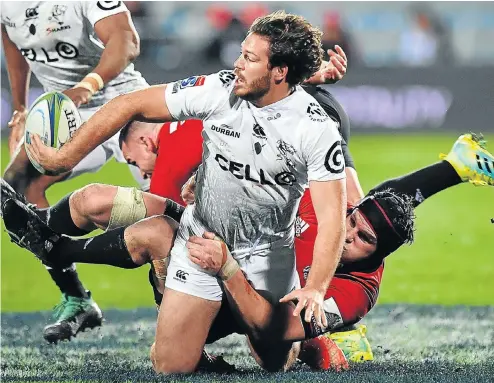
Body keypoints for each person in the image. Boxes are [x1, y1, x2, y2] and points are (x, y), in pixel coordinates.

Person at [3, 131, 493, 372]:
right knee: (117, 210)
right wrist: (208, 187)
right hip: (210, 265)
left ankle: (328, 346)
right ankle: (53, 240)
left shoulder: (358, 289)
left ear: (378, 256)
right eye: (350, 223)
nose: (347, 236)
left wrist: (230, 269)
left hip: (254, 310)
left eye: (363, 241)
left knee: (272, 353)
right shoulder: (335, 208)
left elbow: (266, 323)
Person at [22, 11, 348, 373]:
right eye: (241, 53)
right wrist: (65, 155)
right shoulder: (220, 89)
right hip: (199, 241)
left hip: (266, 258)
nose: (238, 64)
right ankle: (213, 334)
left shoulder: (316, 130)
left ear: (279, 72)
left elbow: (333, 217)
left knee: (276, 364)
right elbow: (133, 103)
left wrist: (316, 288)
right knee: (170, 366)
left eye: (250, 58)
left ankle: (271, 329)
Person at [1, 1, 151, 342]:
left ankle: (207, 302)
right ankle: (76, 298)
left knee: (174, 210)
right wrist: (21, 107)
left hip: (126, 104)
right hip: (68, 115)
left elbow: (126, 39)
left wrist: (89, 84)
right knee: (14, 188)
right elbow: (11, 35)